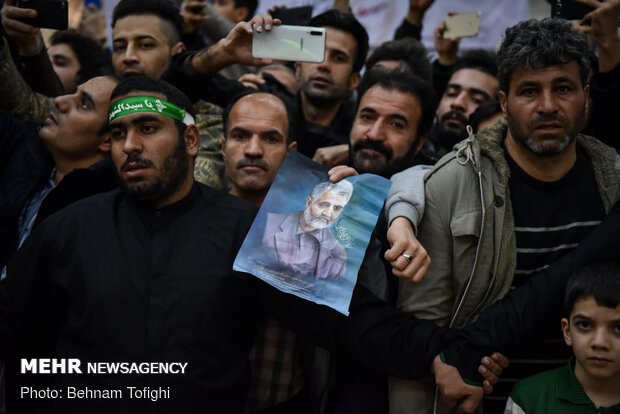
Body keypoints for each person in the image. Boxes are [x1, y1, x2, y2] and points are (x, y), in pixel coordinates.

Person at [391, 17, 620, 414]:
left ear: (586, 95)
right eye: (529, 91)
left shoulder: (614, 180)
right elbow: (422, 339)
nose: (547, 106)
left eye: (563, 88)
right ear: (502, 102)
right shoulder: (452, 186)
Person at [505, 260, 620, 413]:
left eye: (618, 328)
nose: (599, 342)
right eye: (585, 325)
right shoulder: (530, 399)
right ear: (567, 332)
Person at [291, 8, 368, 167]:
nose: (324, 65)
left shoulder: (363, 136)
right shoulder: (268, 116)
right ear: (298, 68)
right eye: (315, 54)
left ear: (354, 80)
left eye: (339, 58)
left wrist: (358, 154)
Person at [262, 180, 353, 280]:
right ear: (308, 202)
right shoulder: (267, 223)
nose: (328, 214)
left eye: (336, 208)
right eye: (324, 204)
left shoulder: (338, 254)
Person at [222, 91, 296, 206]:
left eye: (271, 139)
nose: (253, 150)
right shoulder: (197, 218)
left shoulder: (314, 220)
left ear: (290, 154)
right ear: (223, 147)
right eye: (240, 137)